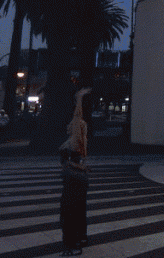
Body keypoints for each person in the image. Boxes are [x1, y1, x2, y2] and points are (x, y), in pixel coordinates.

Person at [59, 88, 92, 256]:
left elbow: (78, 116)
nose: (69, 124)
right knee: (78, 211)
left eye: (71, 124)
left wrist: (79, 98)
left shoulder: (75, 140)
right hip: (79, 178)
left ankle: (72, 245)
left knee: (68, 213)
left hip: (73, 179)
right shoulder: (80, 142)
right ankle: (79, 241)